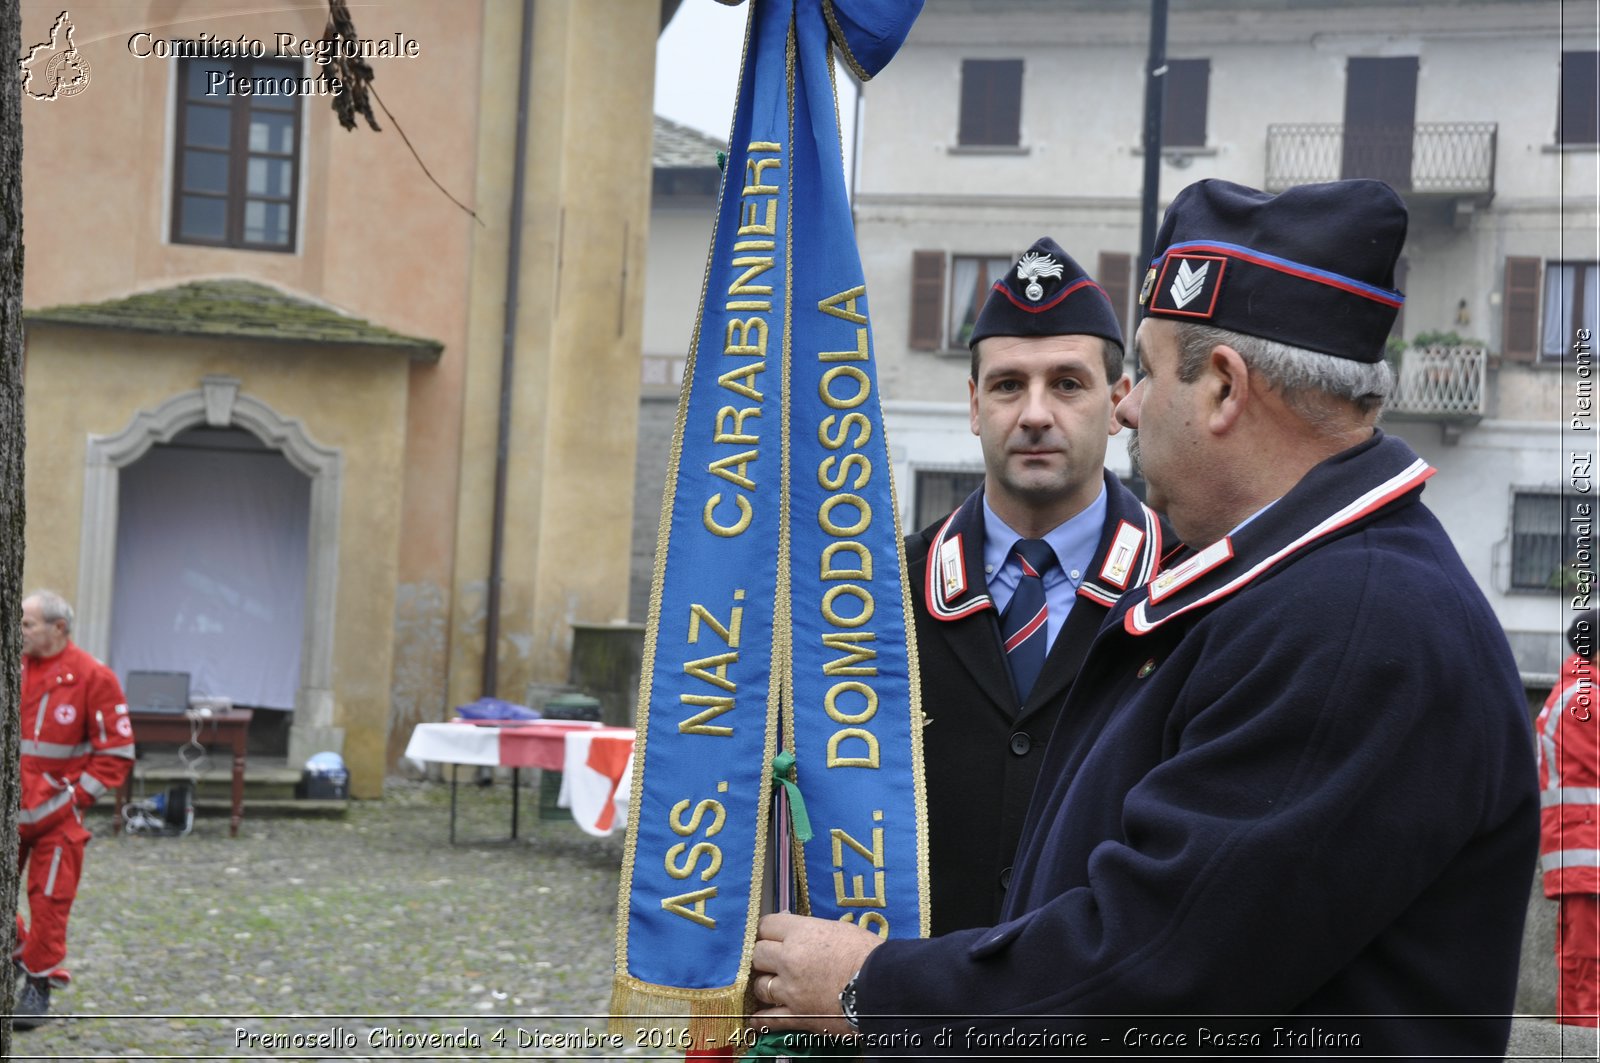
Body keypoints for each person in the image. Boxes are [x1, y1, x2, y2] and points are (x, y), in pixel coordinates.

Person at [747, 178, 1539, 1057]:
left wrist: (872, 988)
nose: (1125, 407)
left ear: (1223, 390)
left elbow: (1150, 966)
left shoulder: (1353, 623)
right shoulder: (1304, 590)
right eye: (1007, 383)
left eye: (1150, 374)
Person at [907, 237, 1167, 934]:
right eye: (1008, 384)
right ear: (973, 403)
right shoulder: (883, 592)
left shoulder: (1187, 588)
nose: (1034, 413)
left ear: (1117, 403)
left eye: (1067, 383)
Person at [15, 590, 136, 1028]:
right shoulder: (14, 667)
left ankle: (38, 986)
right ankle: (18, 952)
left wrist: (71, 799)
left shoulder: (93, 677)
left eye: (27, 624)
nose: (19, 632)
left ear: (58, 628)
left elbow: (116, 753)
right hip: (10, 812)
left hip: (55, 819)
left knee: (49, 901)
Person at [1536, 607, 1600, 1027]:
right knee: (1588, 971)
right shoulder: (1583, 699)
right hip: (1587, 856)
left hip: (1584, 857)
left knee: (1583, 968)